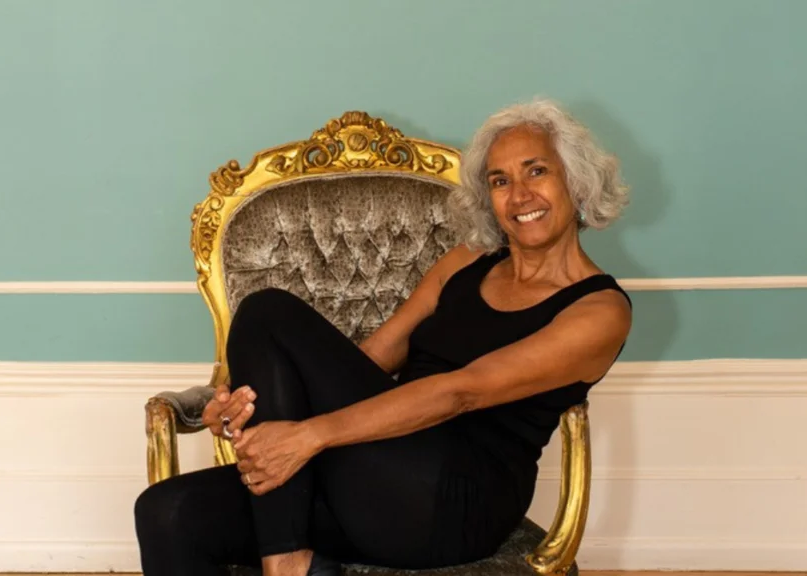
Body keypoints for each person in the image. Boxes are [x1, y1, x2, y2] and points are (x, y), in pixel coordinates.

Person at [134, 98, 633, 576]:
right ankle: (292, 560)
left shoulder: (599, 310)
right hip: (375, 470)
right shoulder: (466, 262)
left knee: (267, 311)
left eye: (536, 171)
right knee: (166, 511)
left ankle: (286, 566)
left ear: (576, 180)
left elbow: (461, 392)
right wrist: (245, 407)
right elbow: (370, 359)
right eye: (500, 181)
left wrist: (309, 435)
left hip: (450, 503)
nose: (519, 195)